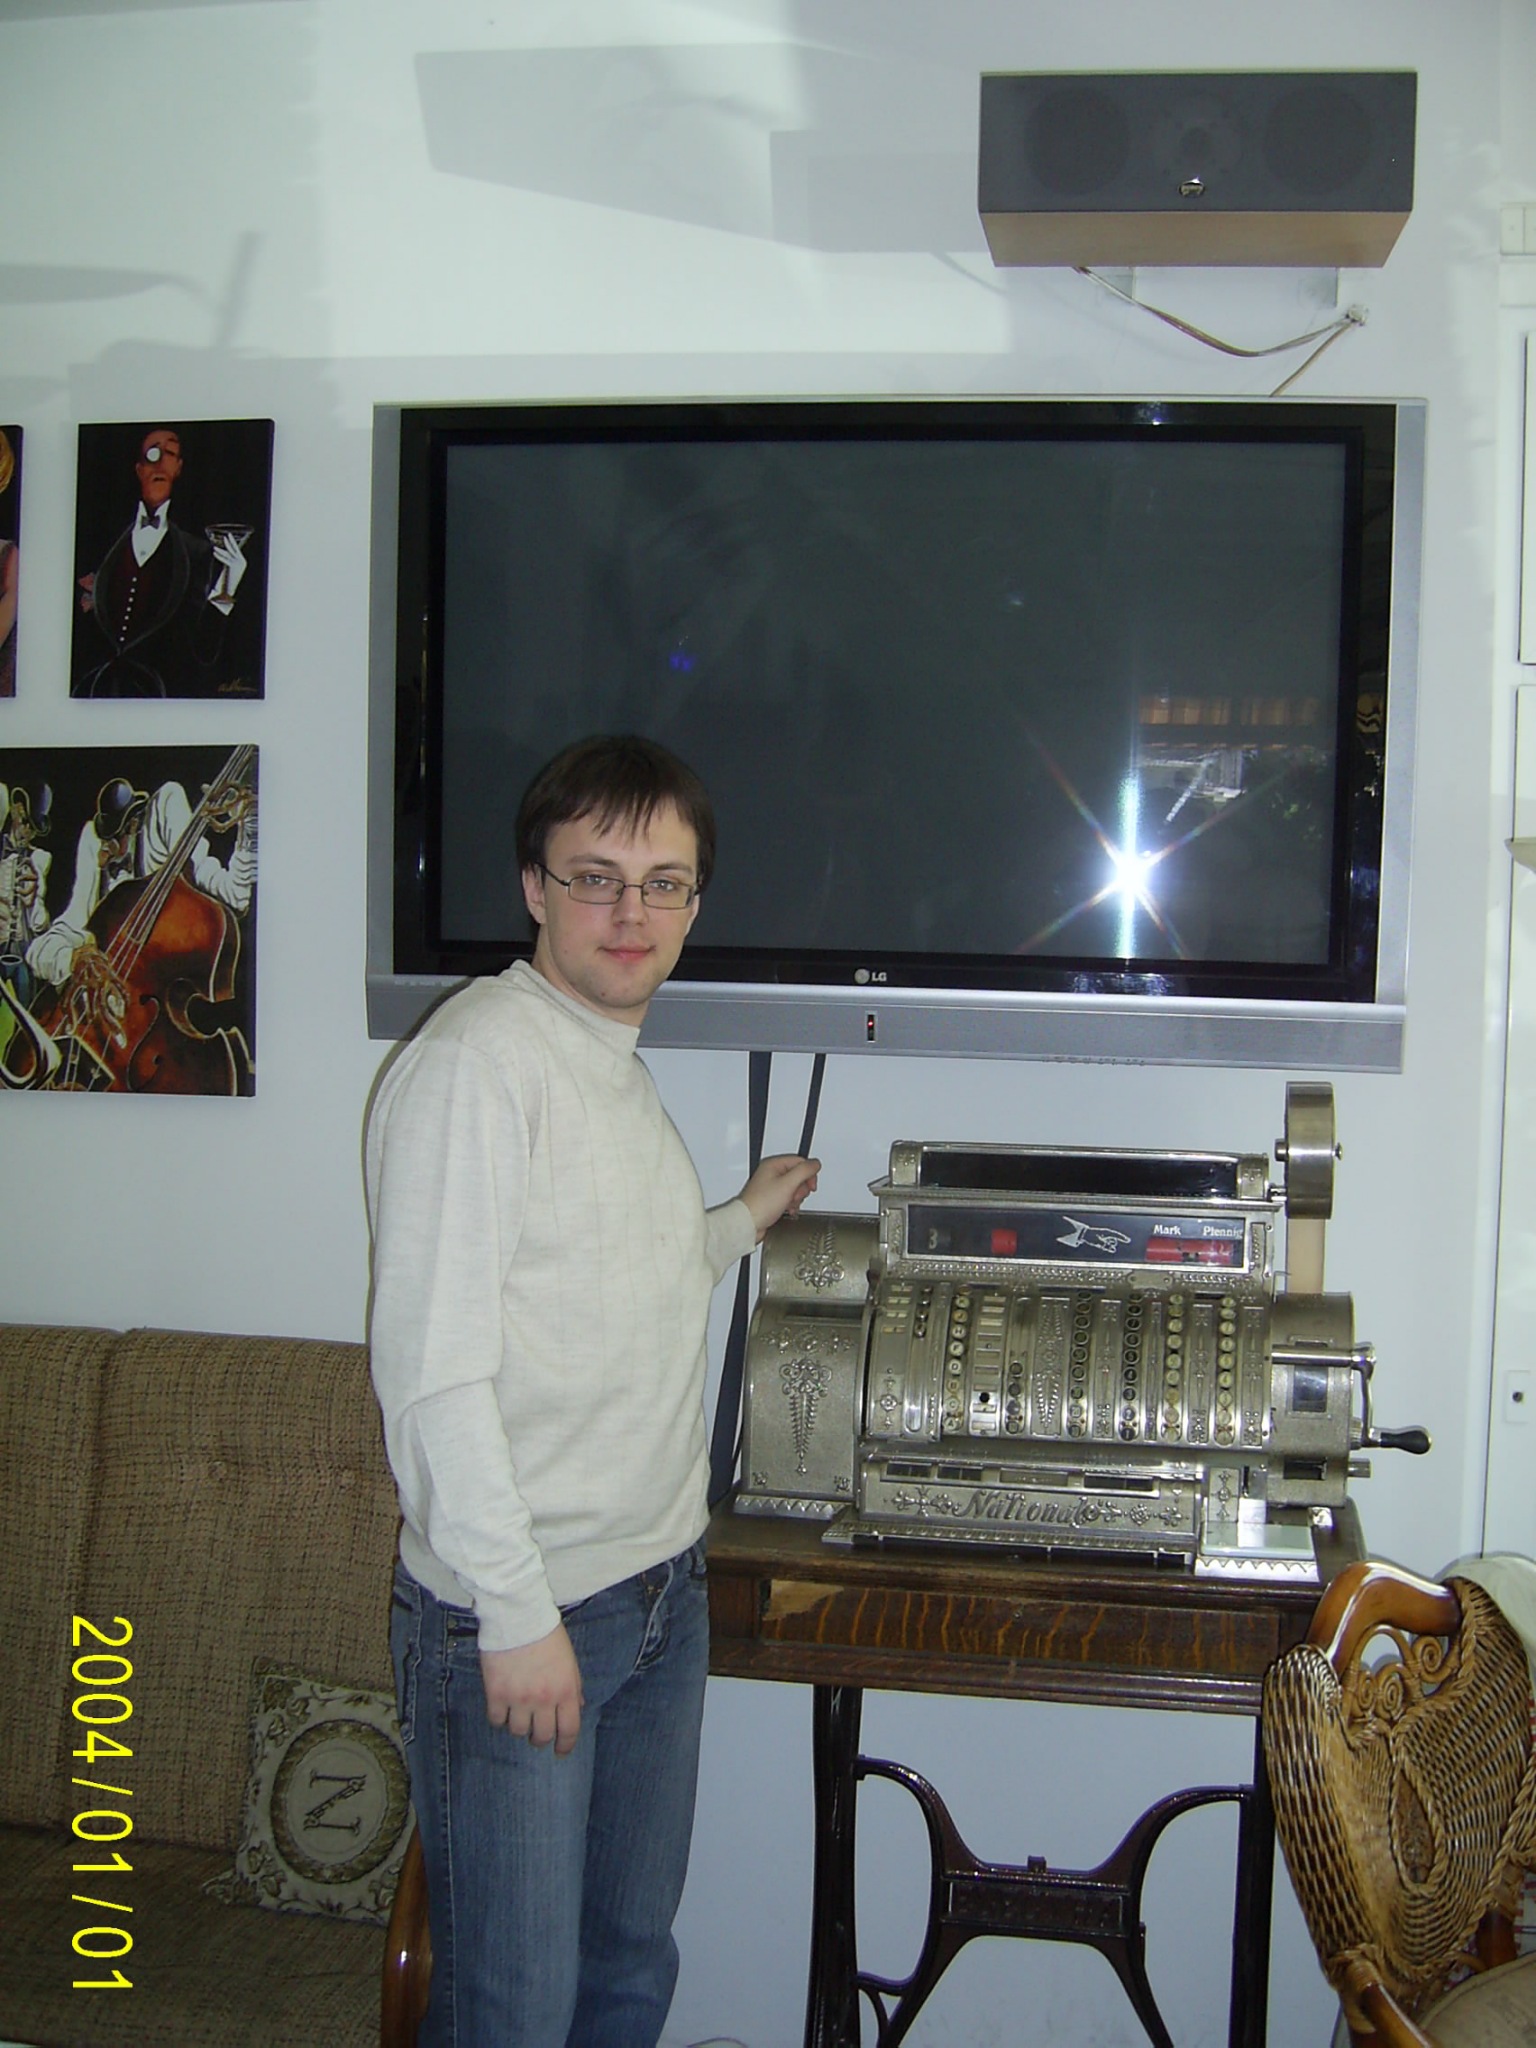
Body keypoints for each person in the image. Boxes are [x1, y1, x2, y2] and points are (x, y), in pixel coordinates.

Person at [366, 734, 819, 2047]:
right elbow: (432, 1377)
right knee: (512, 2008)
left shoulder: (604, 1065)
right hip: (526, 1616)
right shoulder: (478, 1066)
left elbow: (616, 1270)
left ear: (694, 902)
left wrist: (739, 1219)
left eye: (663, 883)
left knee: (626, 1970)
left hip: (659, 1595)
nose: (633, 912)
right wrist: (515, 1615)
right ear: (535, 887)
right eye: (596, 878)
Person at [73, 426, 249, 698]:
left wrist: (228, 583)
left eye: (170, 453)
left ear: (178, 468)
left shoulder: (195, 552)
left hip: (159, 696)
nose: (160, 461)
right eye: (152, 453)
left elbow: (204, 650)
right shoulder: (98, 540)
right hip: (96, 693)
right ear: (139, 469)